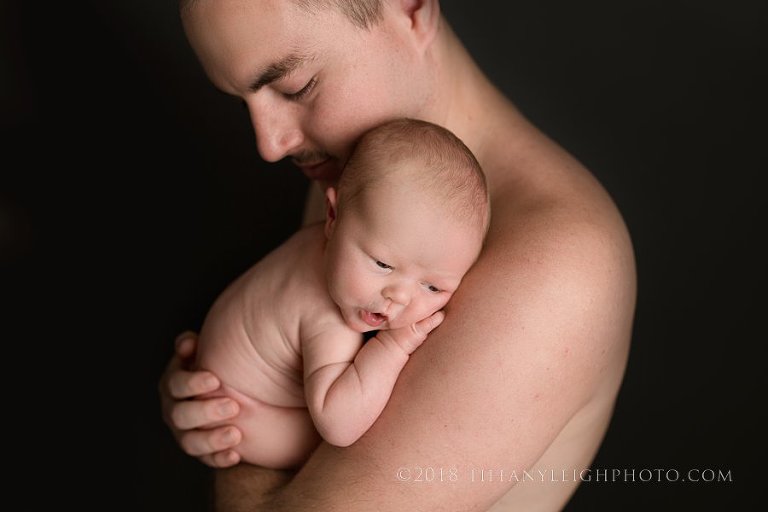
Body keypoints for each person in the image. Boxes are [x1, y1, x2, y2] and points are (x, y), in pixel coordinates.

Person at [159, 1, 637, 510]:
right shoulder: (357, 170)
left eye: (296, 86)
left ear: (410, 8)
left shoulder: (555, 267)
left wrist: (243, 433)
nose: (270, 145)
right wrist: (226, 379)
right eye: (243, 100)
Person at [195, 118, 489, 469]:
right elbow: (338, 425)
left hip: (216, 374)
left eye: (432, 287)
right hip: (240, 413)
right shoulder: (327, 316)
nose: (399, 296)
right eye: (382, 263)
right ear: (333, 215)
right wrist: (391, 347)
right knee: (339, 447)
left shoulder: (326, 245)